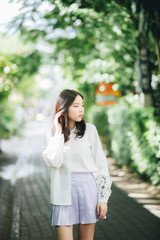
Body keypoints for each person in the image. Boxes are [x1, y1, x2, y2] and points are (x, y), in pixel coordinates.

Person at [42, 89, 112, 240]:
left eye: (82, 105)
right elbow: (54, 161)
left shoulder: (90, 130)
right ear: (64, 108)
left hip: (88, 189)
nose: (81, 110)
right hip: (62, 191)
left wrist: (102, 198)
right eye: (76, 106)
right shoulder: (52, 134)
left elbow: (101, 165)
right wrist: (59, 132)